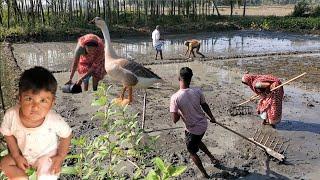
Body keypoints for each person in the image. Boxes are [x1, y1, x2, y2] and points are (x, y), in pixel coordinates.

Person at [0, 66, 72, 180]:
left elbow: (66, 135)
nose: (35, 107)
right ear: (20, 98)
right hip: (22, 154)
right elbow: (7, 134)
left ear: (52, 102)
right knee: (4, 164)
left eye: (43, 100)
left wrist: (60, 156)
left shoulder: (54, 120)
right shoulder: (11, 115)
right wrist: (16, 156)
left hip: (46, 156)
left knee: (46, 175)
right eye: (29, 99)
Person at [170, 67, 219, 178]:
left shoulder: (175, 98)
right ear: (190, 79)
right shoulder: (197, 91)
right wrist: (212, 117)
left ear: (179, 78)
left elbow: (174, 120)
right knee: (197, 141)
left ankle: (205, 174)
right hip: (203, 124)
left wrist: (178, 111)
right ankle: (212, 157)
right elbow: (204, 105)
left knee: (192, 152)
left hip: (192, 129)